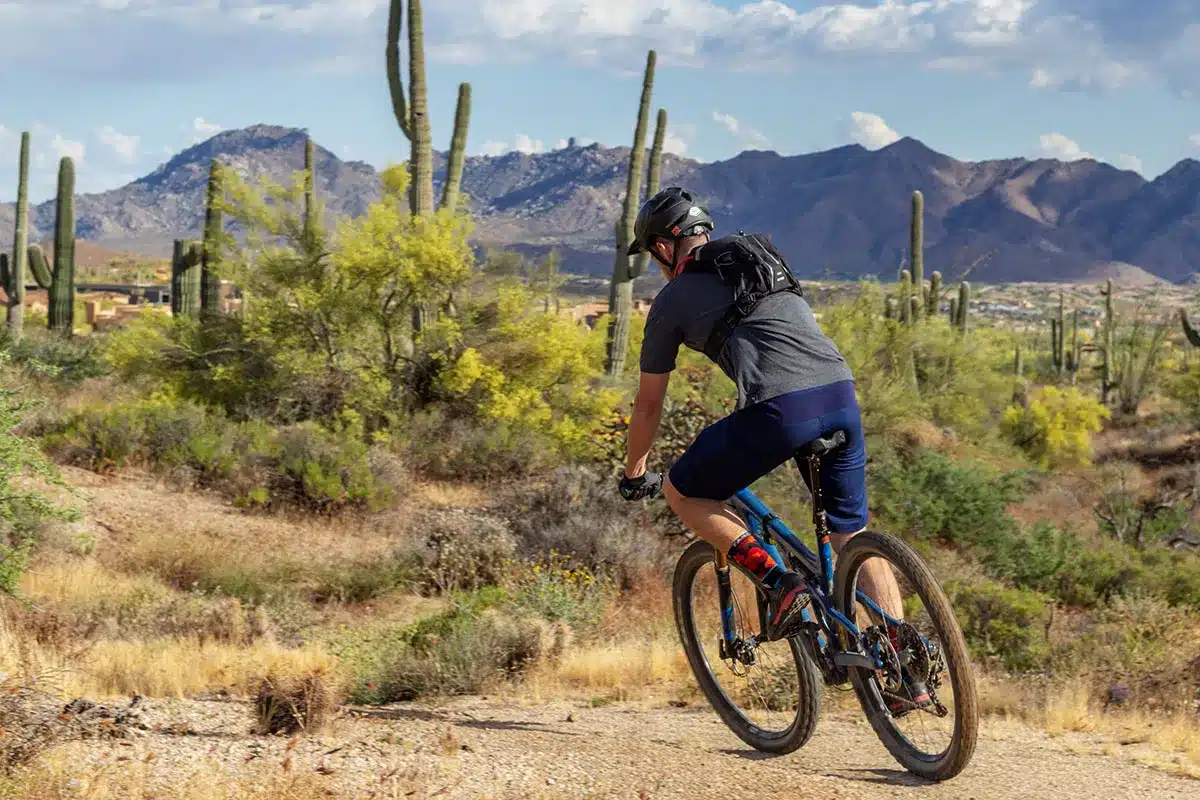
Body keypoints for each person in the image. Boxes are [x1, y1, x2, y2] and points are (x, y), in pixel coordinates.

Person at [616, 186, 907, 658]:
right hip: (840, 393)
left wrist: (635, 472)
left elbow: (648, 405)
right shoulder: (763, 261)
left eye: (652, 255)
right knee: (849, 534)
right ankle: (903, 655)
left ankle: (779, 582)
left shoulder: (671, 300)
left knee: (682, 491)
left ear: (664, 247)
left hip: (780, 410)